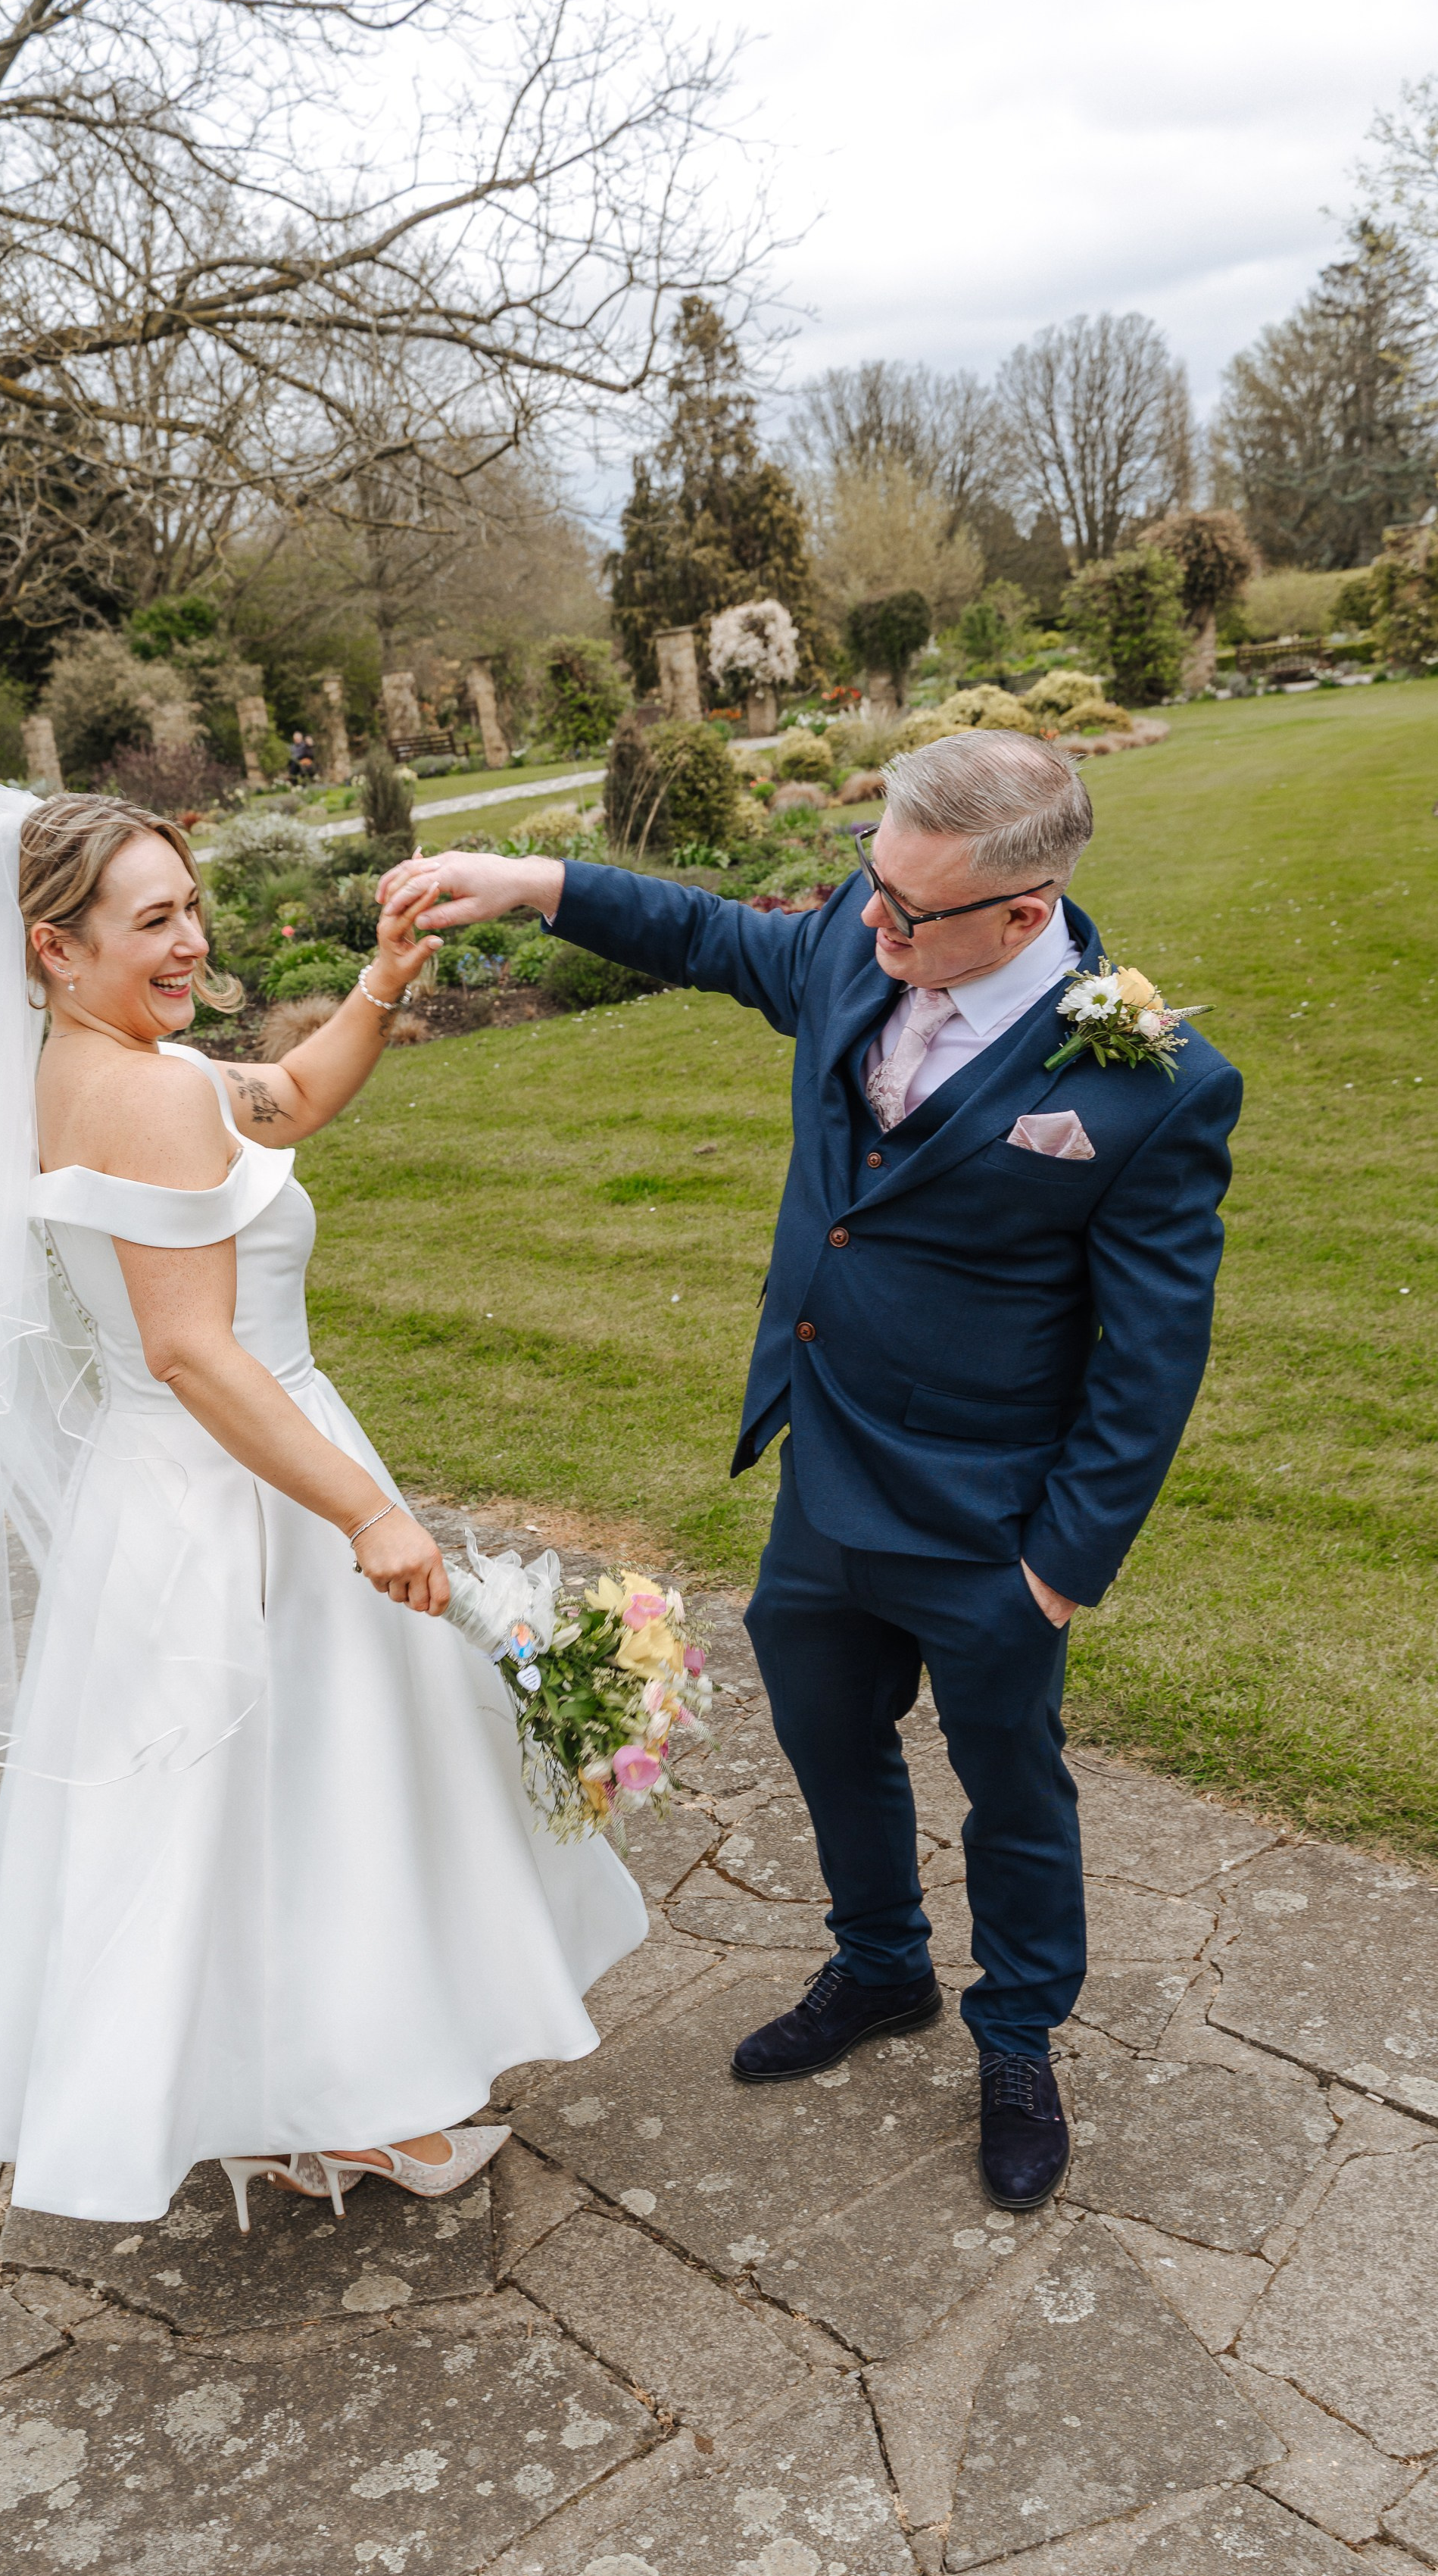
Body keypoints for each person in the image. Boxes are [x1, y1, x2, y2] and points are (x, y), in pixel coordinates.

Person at [0, 788, 644, 2225]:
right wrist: (366, 1514)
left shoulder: (86, 1068)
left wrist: (380, 984)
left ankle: (290, 2099)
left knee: (238, 1810)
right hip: (249, 1486)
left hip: (160, 1490)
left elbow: (286, 1101)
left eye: (191, 907)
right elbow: (192, 1350)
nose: (191, 942)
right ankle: (346, 2101)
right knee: (315, 1800)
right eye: (153, 921)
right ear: (52, 944)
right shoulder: (146, 1092)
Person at [382, 730, 1242, 2211]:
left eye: (913, 912)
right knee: (829, 1735)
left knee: (1009, 1788)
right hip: (823, 1471)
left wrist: (1055, 1566)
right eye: (872, 889)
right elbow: (714, 935)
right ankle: (880, 1964)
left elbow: (1150, 1359)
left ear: (1025, 912)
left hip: (988, 1525)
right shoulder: (861, 942)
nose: (875, 926)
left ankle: (1017, 2029)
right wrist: (529, 881)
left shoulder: (1148, 1088)